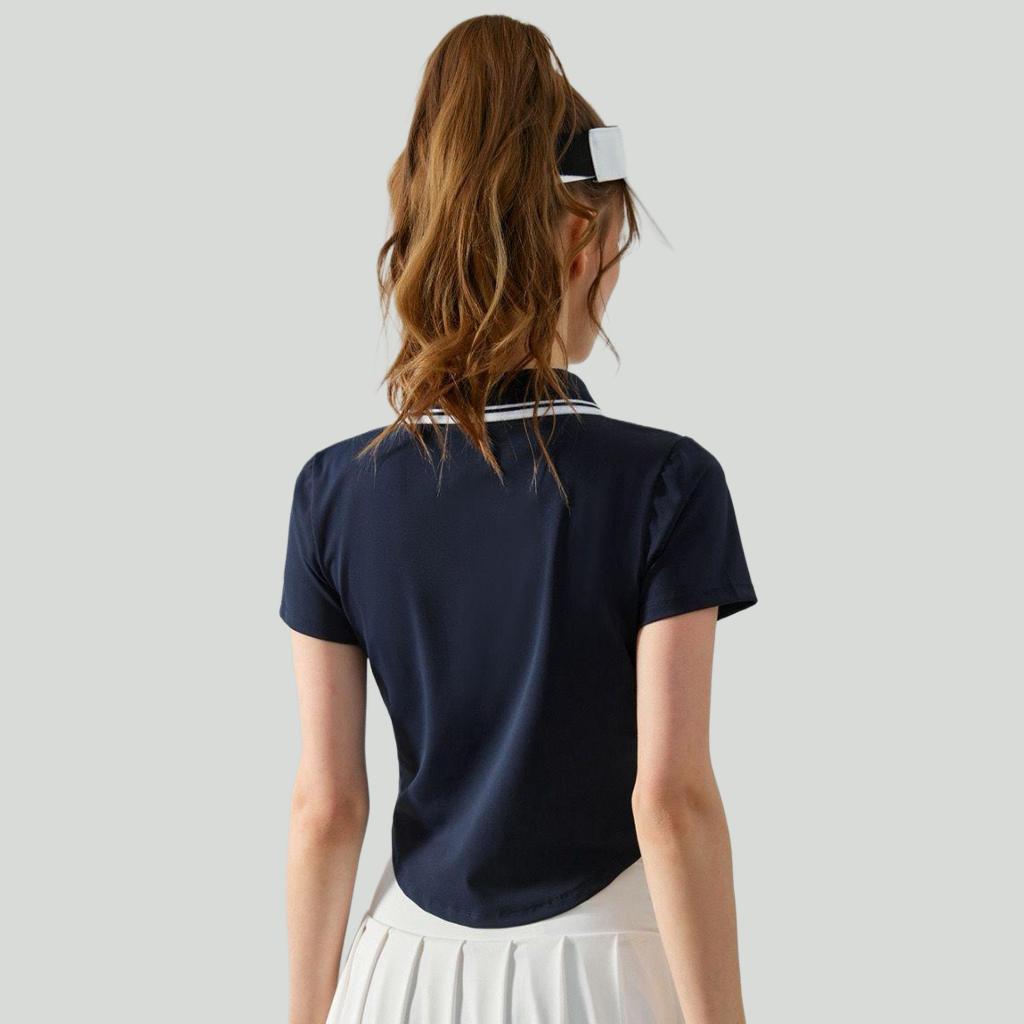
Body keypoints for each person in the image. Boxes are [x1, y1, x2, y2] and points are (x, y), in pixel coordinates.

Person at [280, 15, 758, 1024]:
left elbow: (327, 807)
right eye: (615, 244)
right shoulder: (666, 484)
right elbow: (670, 800)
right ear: (579, 237)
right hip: (605, 968)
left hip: (400, 968)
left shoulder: (333, 491)